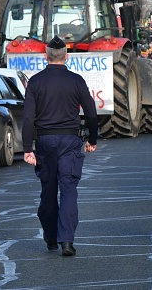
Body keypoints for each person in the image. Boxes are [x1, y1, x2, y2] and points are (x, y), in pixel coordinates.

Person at [22, 35, 99, 257]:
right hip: (70, 141)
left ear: (46, 57)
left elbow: (28, 118)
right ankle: (66, 241)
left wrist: (28, 148)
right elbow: (91, 114)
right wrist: (92, 139)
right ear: (66, 57)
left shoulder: (35, 82)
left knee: (47, 191)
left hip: (45, 142)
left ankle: (50, 236)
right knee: (68, 191)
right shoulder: (76, 80)